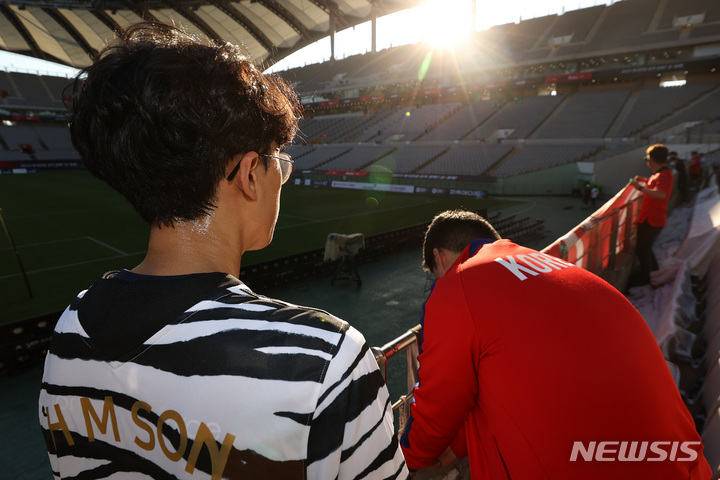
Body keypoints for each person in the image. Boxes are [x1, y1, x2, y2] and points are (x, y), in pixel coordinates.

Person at [38, 23, 407, 480]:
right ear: (250, 174)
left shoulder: (70, 331)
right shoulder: (324, 361)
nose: (282, 179)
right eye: (280, 162)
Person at [400, 210, 710, 479]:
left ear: (439, 257)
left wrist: (406, 460)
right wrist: (458, 446)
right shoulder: (554, 266)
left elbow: (439, 400)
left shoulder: (459, 284)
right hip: (680, 461)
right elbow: (532, 371)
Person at [629, 144, 673, 287]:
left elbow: (661, 194)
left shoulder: (663, 175)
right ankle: (654, 272)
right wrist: (645, 182)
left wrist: (641, 187)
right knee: (646, 248)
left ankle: (647, 277)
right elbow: (656, 188)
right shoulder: (661, 174)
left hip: (652, 220)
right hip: (651, 218)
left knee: (642, 249)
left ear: (652, 160)